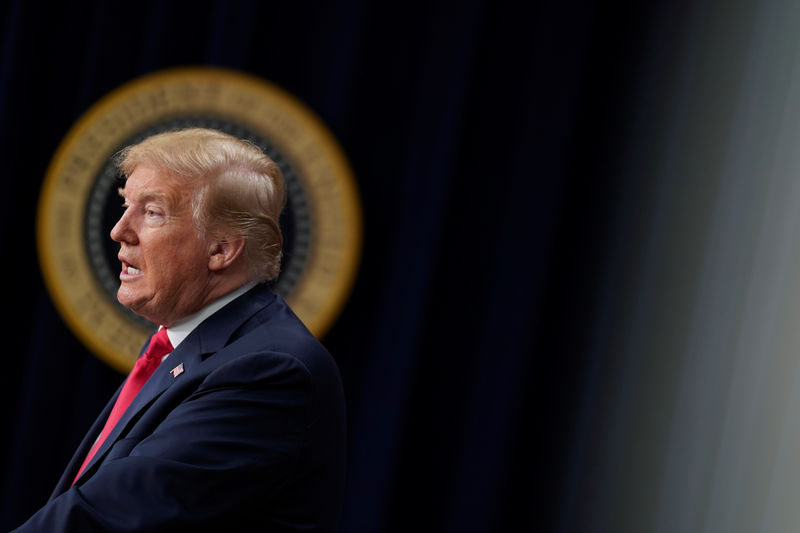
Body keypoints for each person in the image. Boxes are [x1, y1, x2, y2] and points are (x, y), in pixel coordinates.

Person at [13, 128, 346, 532]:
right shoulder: (185, 346)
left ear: (221, 250)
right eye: (125, 205)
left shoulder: (267, 370)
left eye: (152, 212)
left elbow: (112, 516)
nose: (119, 230)